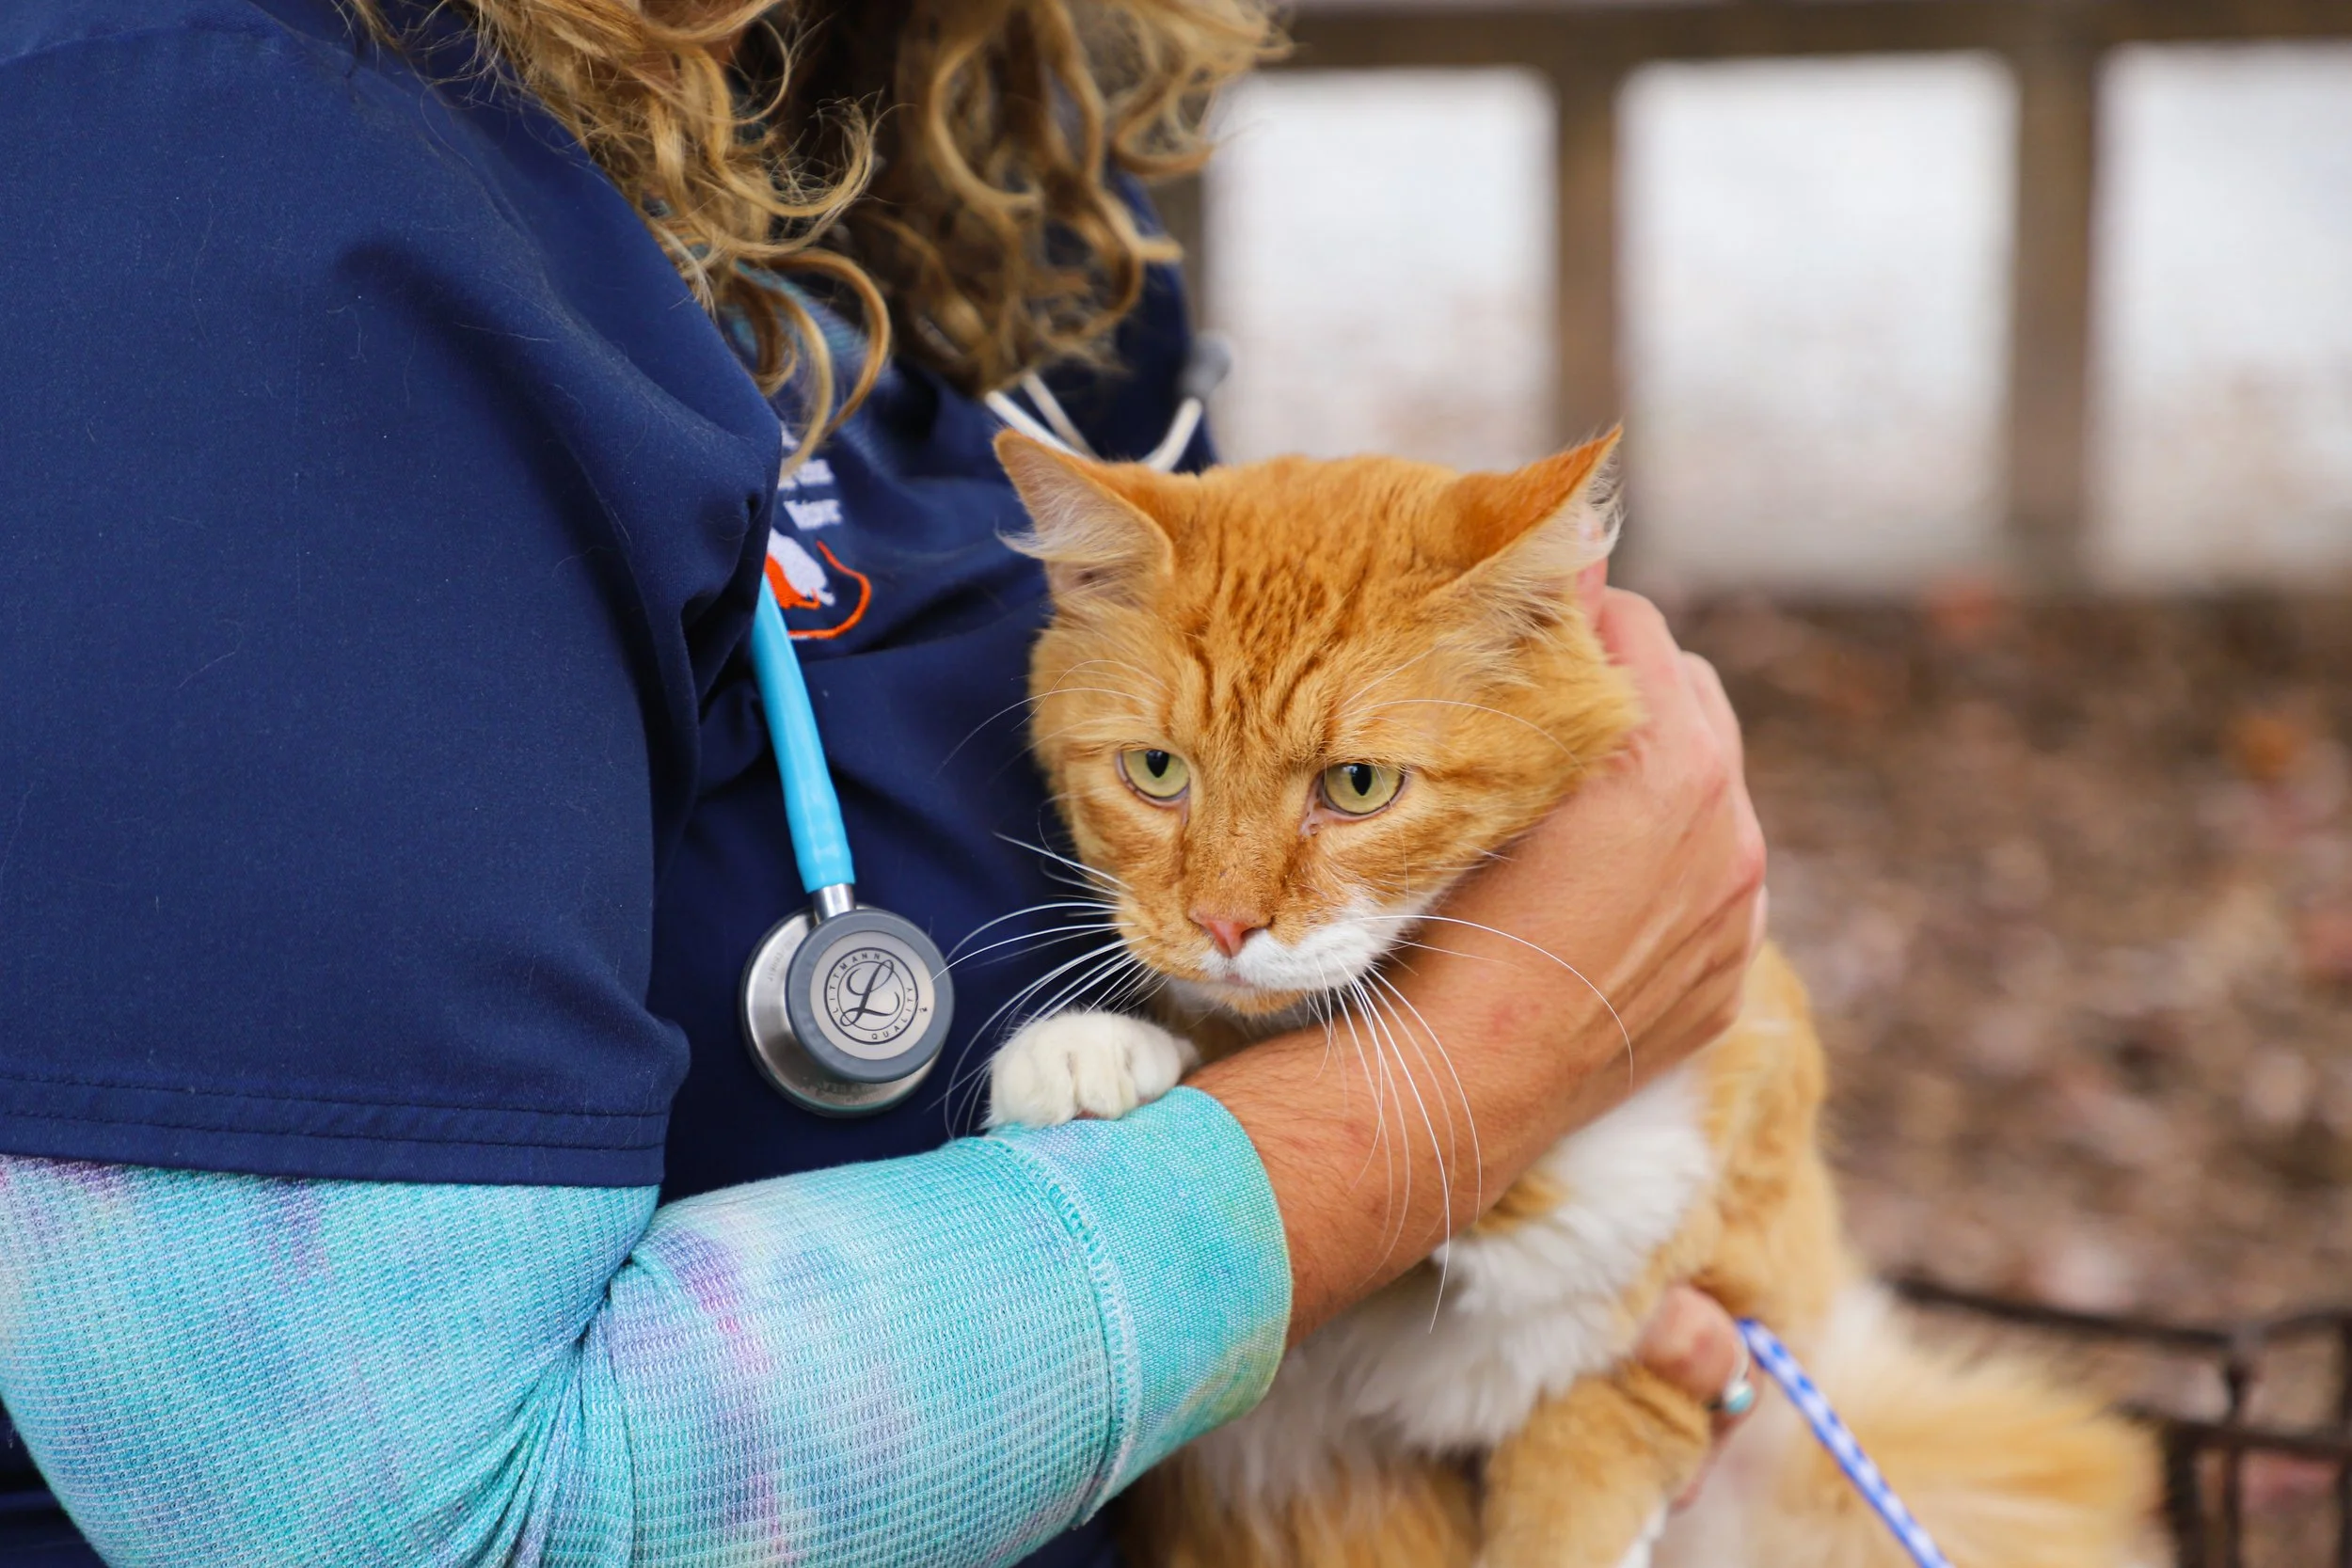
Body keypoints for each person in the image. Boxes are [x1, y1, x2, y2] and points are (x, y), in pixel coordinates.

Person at [0, 0, 1768, 1562]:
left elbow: (1232, 668)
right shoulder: (196, 173)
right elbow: (429, 1525)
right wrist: (1467, 1095)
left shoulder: (972, 92)